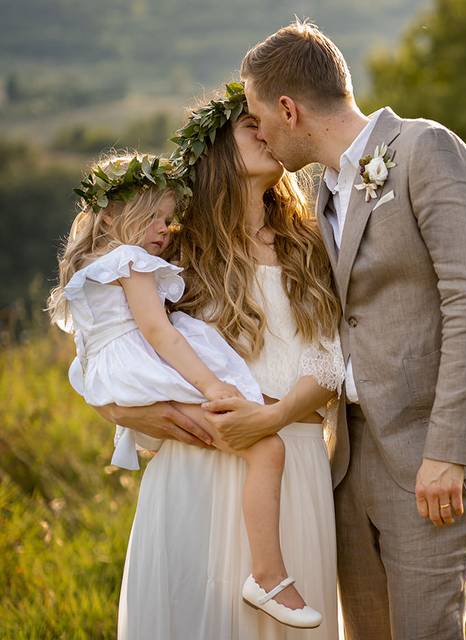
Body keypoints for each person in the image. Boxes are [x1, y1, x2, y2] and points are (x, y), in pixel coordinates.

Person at [232, 20, 466, 638]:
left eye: (258, 116)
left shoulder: (427, 149)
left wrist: (448, 450)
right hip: (350, 454)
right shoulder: (319, 195)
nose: (257, 131)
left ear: (288, 108)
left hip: (429, 449)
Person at [84, 87, 343, 639]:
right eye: (251, 123)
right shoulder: (173, 250)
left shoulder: (311, 243)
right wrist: (124, 412)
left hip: (288, 460)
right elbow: (110, 339)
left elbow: (331, 360)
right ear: (214, 146)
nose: (270, 129)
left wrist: (271, 419)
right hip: (199, 456)